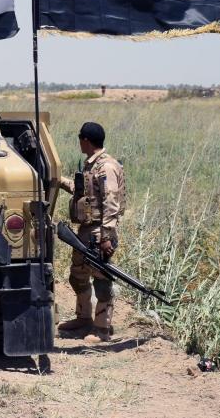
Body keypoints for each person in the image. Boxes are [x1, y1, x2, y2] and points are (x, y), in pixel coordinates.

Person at [57, 122, 127, 343]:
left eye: (80, 139)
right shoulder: (92, 166)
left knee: (101, 279)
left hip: (99, 230)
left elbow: (111, 203)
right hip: (86, 230)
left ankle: (102, 329)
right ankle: (83, 317)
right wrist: (59, 182)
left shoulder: (106, 167)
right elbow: (85, 192)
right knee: (78, 275)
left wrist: (106, 237)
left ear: (85, 140)